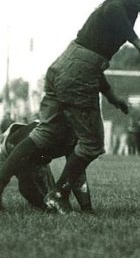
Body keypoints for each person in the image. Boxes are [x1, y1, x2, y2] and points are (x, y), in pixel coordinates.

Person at [0, 0, 140, 213]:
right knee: (92, 143)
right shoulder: (125, 3)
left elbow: (92, 58)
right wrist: (138, 43)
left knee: (44, 133)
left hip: (65, 63)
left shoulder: (116, 4)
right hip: (78, 70)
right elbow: (113, 14)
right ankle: (57, 194)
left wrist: (112, 97)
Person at [0, 82, 129, 212]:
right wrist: (43, 205)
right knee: (43, 203)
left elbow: (77, 174)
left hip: (36, 157)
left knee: (50, 197)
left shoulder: (72, 133)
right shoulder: (52, 131)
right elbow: (25, 185)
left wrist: (87, 209)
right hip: (8, 149)